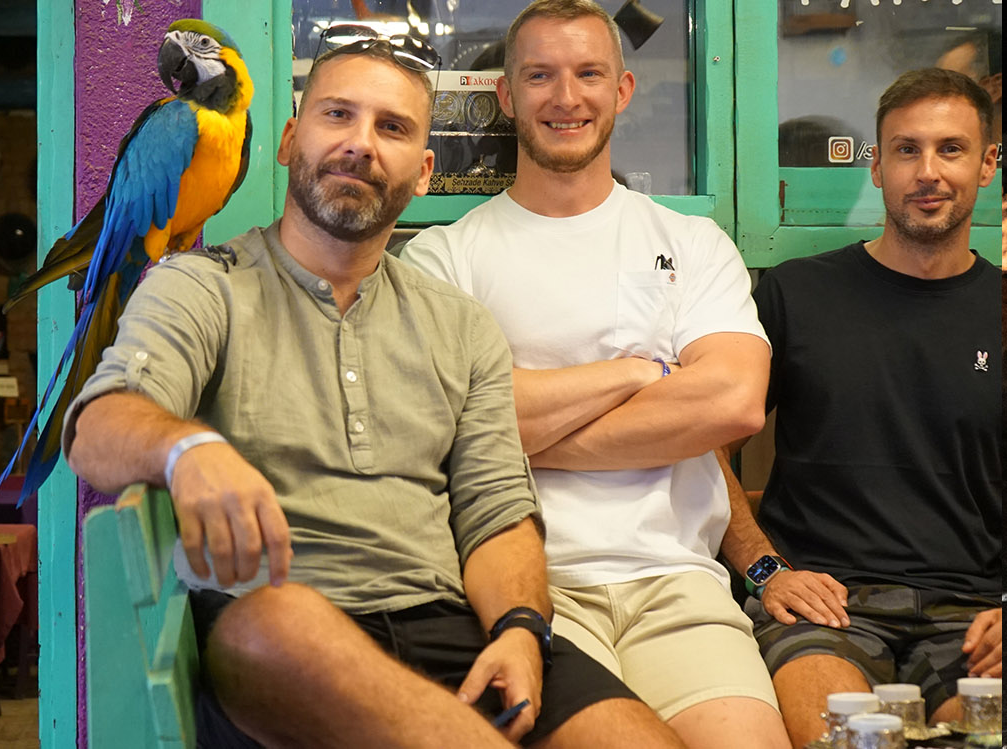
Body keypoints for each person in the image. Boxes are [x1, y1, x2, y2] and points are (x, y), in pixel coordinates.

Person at [63, 31, 685, 749]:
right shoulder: (202, 287)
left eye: (391, 128)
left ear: (423, 171)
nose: (361, 143)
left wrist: (519, 629)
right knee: (277, 623)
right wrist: (186, 448)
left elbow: (498, 513)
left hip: (449, 626)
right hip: (279, 630)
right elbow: (97, 427)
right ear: (290, 140)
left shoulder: (462, 325)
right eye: (337, 116)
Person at [400, 2, 788, 748]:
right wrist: (637, 373)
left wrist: (517, 431)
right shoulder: (445, 259)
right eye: (539, 76)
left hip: (681, 583)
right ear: (508, 97)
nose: (565, 97)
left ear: (624, 90)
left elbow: (735, 402)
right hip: (525, 585)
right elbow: (444, 424)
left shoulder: (692, 242)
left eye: (588, 74)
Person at [717, 67, 1003, 749]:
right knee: (840, 739)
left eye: (951, 149)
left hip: (975, 613)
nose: (927, 171)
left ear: (989, 163)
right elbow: (702, 445)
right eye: (906, 149)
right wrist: (764, 569)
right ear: (876, 167)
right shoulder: (794, 296)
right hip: (824, 608)